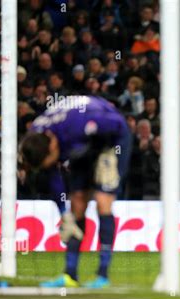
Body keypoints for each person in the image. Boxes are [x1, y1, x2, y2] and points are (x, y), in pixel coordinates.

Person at [20, 95, 131, 288]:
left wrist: (108, 158)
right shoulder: (36, 136)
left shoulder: (82, 123)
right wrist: (64, 213)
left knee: (103, 201)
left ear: (53, 144)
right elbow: (52, 172)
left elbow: (118, 125)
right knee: (77, 205)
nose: (52, 165)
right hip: (81, 147)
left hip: (110, 140)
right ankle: (70, 274)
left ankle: (102, 274)